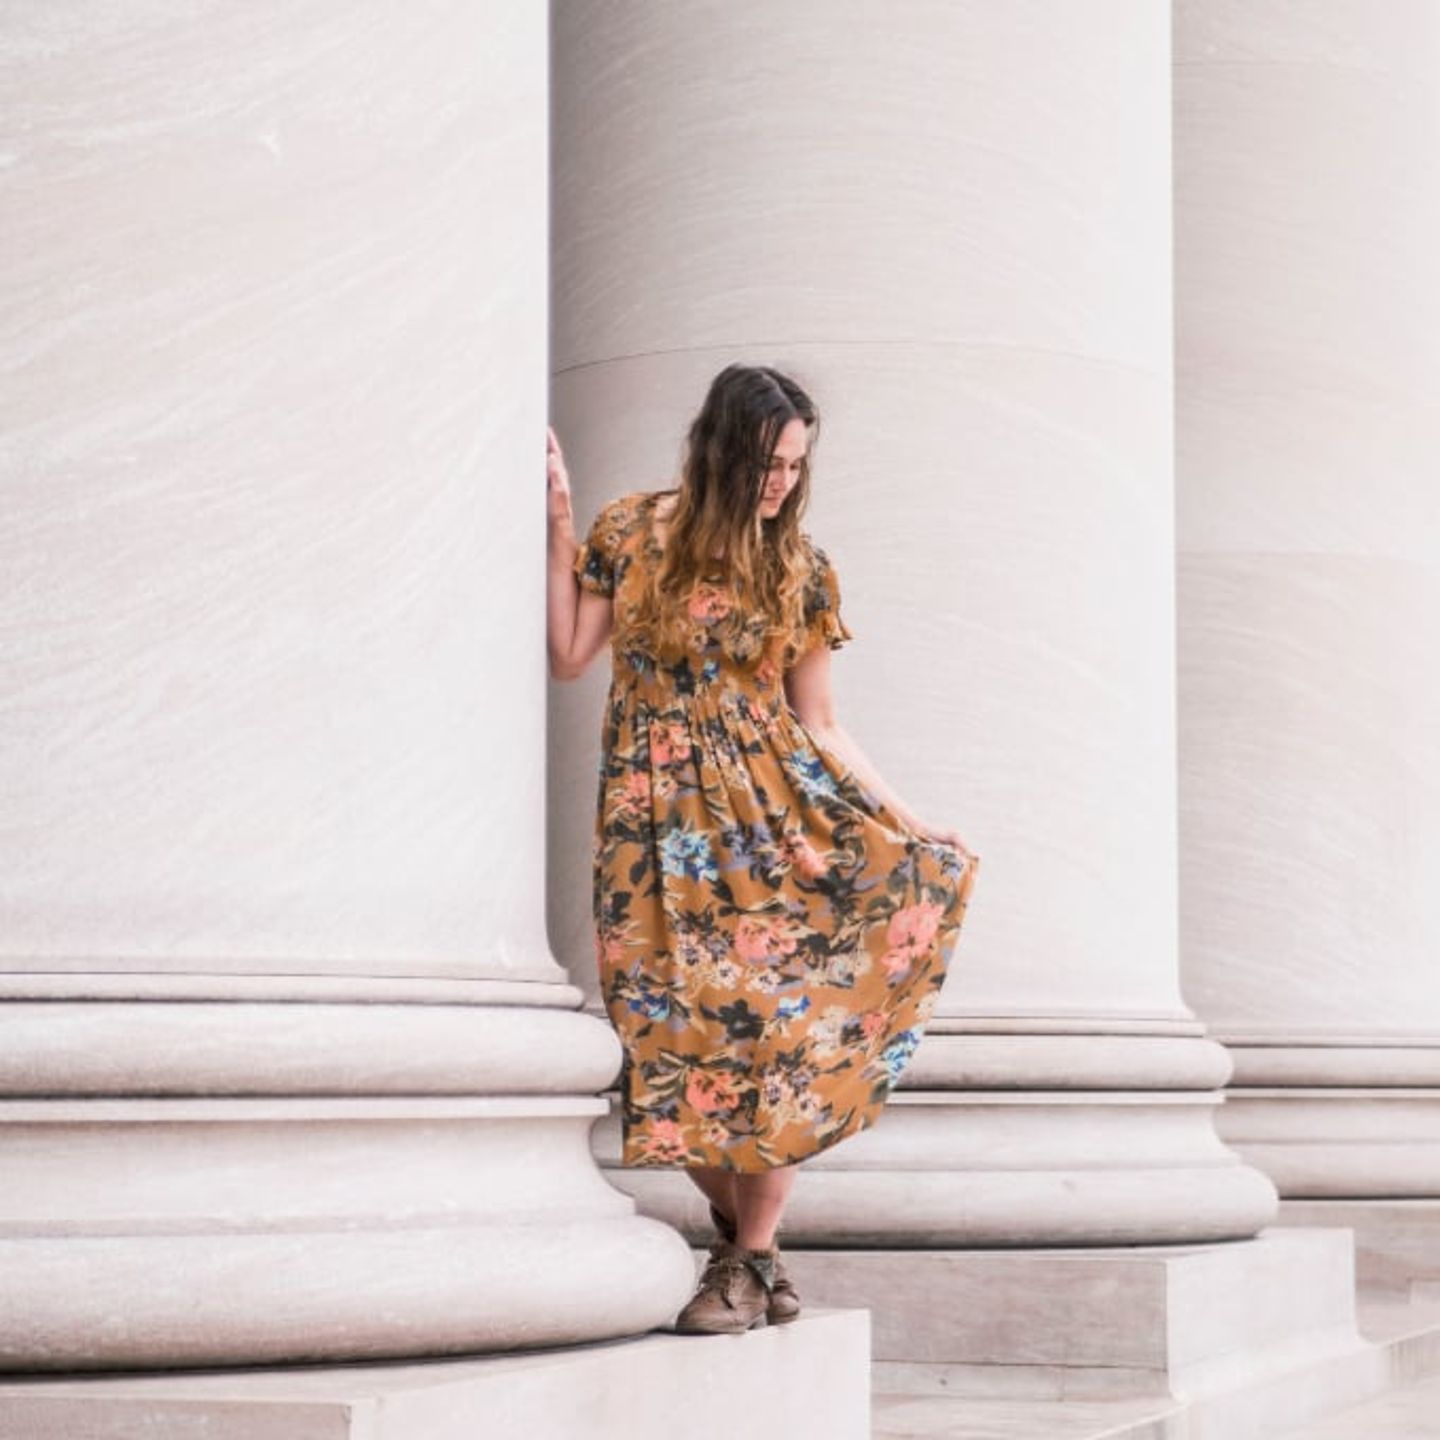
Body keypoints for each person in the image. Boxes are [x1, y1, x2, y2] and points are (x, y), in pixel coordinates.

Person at [546, 363, 979, 1335]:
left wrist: (910, 822)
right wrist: (560, 528)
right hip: (648, 833)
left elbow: (819, 722)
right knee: (661, 1048)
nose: (782, 483)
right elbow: (571, 654)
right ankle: (758, 1251)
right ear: (720, 450)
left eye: (795, 466)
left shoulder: (799, 570)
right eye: (768, 463)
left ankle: (742, 1262)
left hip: (771, 830)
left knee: (771, 1044)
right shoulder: (630, 533)